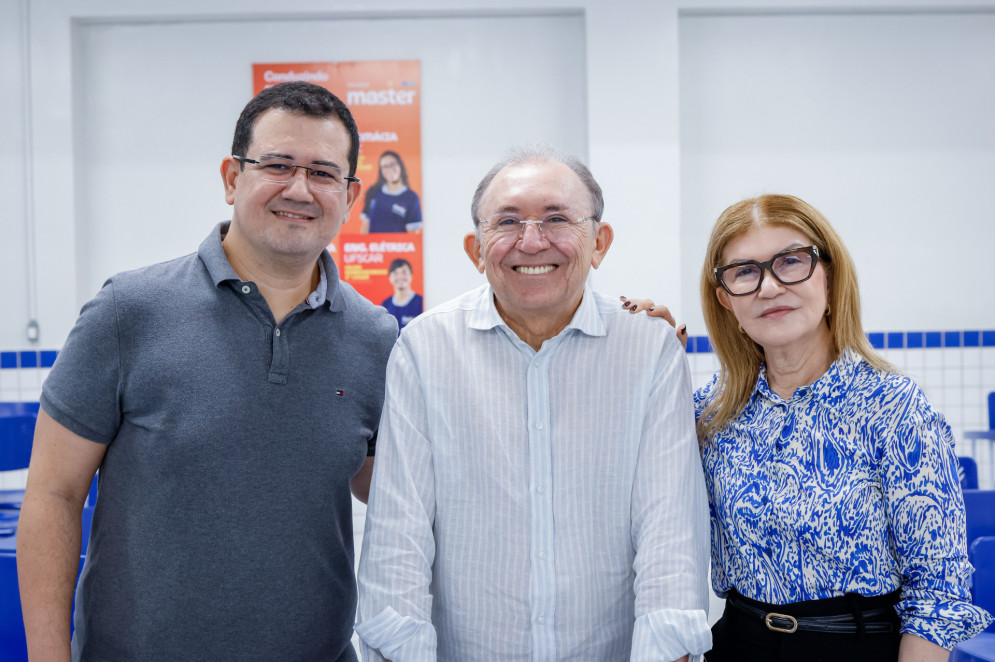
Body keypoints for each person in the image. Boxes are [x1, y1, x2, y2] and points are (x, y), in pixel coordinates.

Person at [16, 81, 398, 662]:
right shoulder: (128, 311)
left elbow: (392, 493)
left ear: (350, 196)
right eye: (277, 164)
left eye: (323, 173)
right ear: (231, 178)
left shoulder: (375, 337)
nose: (299, 188)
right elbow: (52, 493)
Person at [355, 145, 711, 662]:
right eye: (507, 222)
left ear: (599, 243)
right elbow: (398, 537)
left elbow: (669, 535)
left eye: (556, 219)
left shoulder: (649, 349)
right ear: (476, 249)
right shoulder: (425, 348)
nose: (531, 241)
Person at [631, 193, 993, 661]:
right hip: (739, 645)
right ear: (725, 302)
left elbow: (937, 593)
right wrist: (639, 355)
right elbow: (635, 506)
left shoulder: (893, 407)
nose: (768, 287)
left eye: (790, 262)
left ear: (830, 277)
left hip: (857, 648)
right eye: (745, 272)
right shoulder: (707, 415)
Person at [360, 150, 422, 233]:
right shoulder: (373, 193)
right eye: (385, 166)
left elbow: (413, 233)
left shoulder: (411, 197)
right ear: (381, 171)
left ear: (400, 165)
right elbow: (365, 227)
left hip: (397, 245)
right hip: (374, 245)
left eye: (392, 164)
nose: (389, 169)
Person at [381, 258, 423, 332]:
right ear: (390, 277)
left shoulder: (421, 302)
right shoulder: (385, 304)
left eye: (404, 272)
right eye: (395, 273)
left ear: (411, 275)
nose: (400, 276)